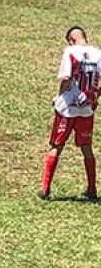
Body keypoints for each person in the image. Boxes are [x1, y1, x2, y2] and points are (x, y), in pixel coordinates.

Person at [38, 26, 101, 200]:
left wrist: (59, 98)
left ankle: (45, 188)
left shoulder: (70, 52)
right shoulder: (97, 53)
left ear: (71, 41)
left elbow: (66, 78)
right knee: (86, 147)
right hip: (86, 108)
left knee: (57, 146)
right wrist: (95, 95)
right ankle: (92, 189)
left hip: (68, 107)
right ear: (85, 37)